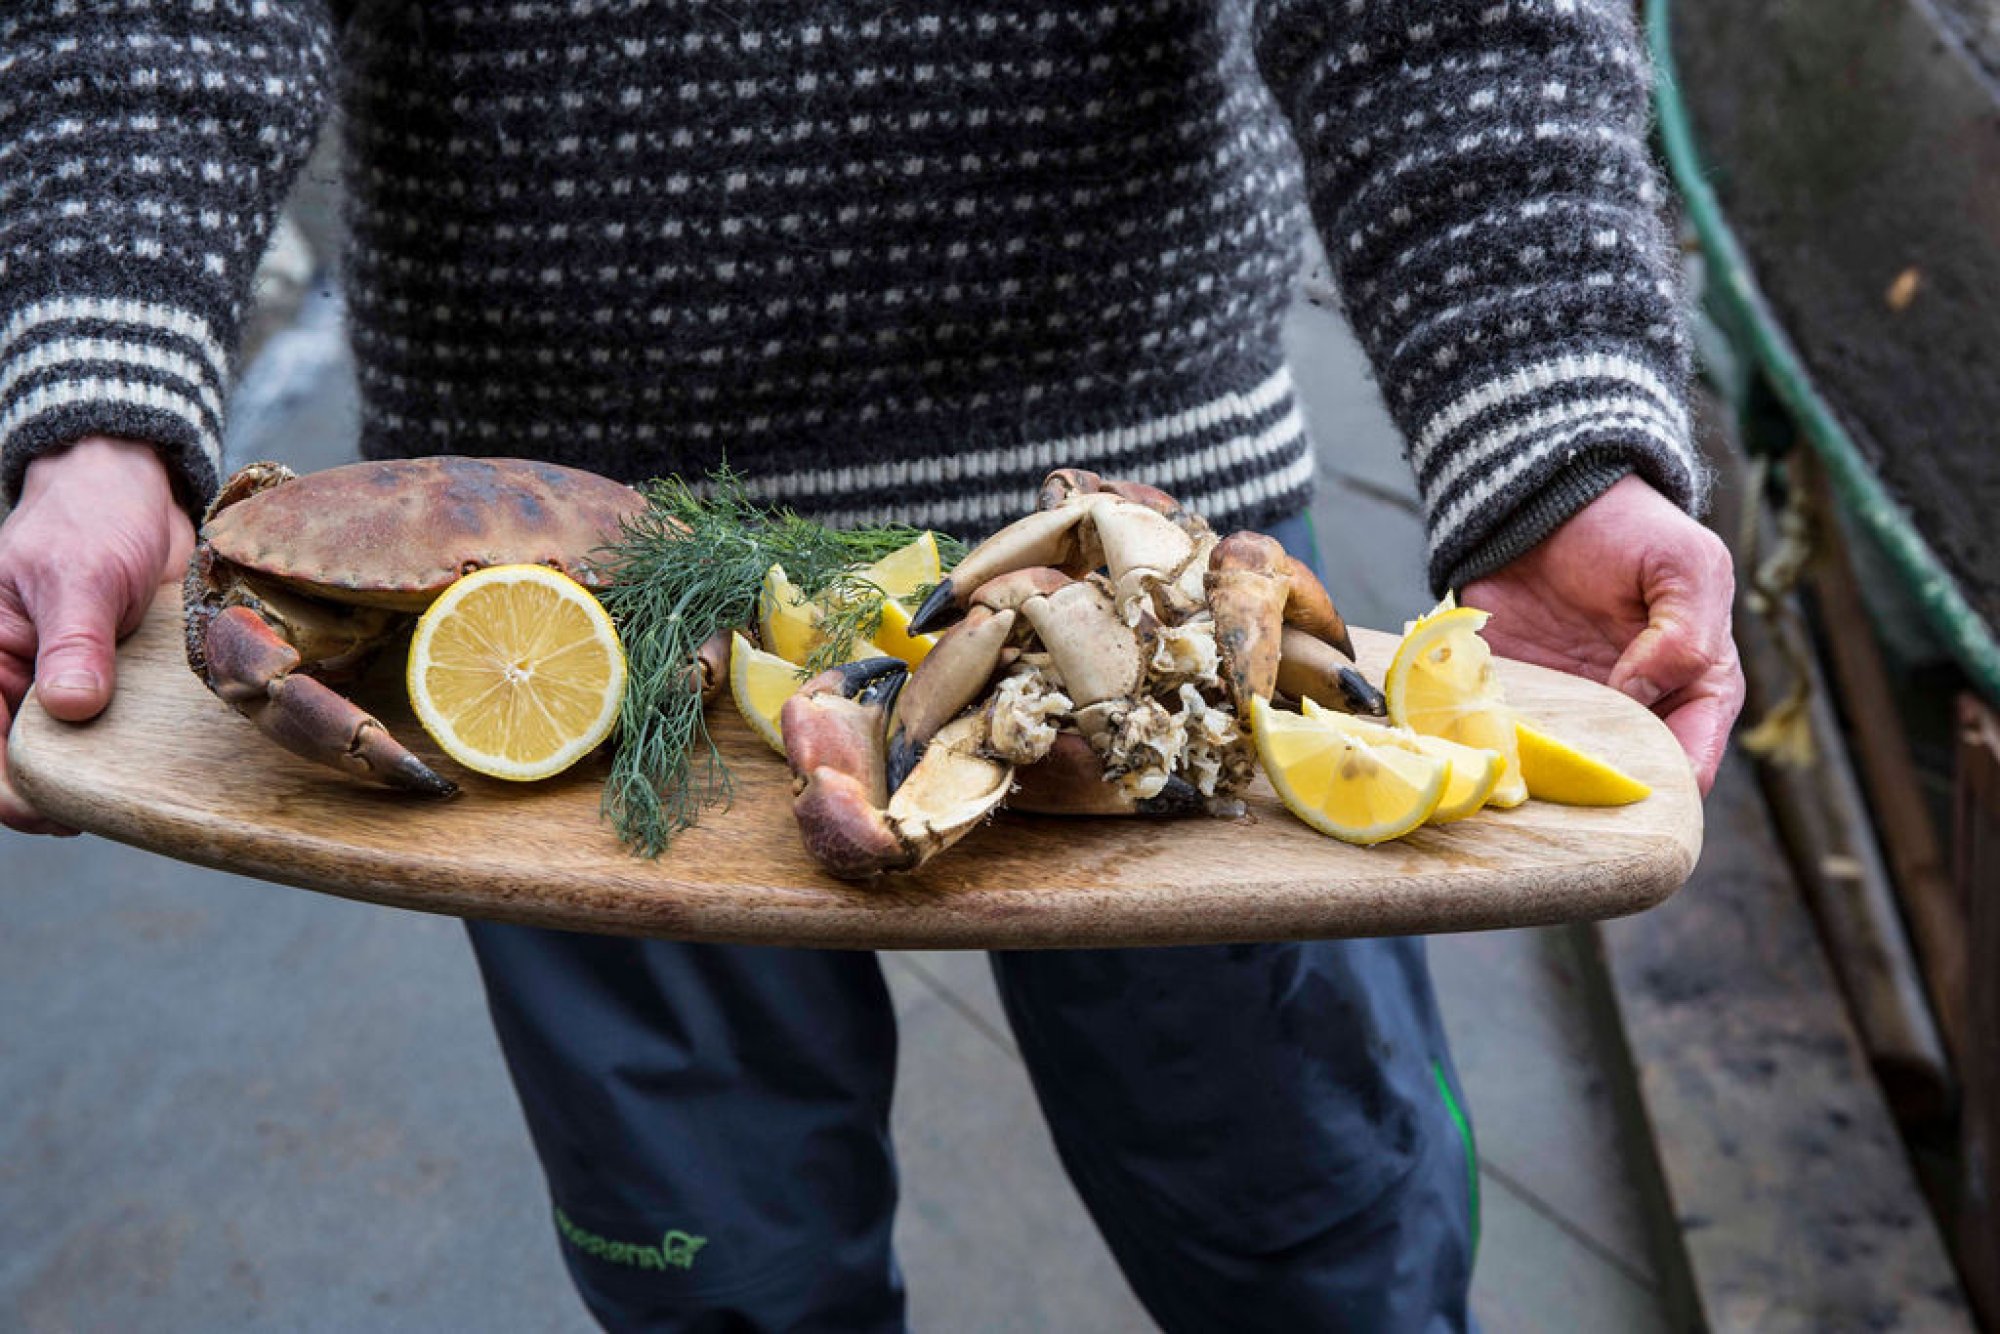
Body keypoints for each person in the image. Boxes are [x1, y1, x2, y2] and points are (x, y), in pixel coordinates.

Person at [0, 1, 1744, 1329]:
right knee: (721, 1282)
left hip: (1147, 568)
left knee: (1324, 1243)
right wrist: (101, 397)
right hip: (555, 636)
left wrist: (1549, 421)